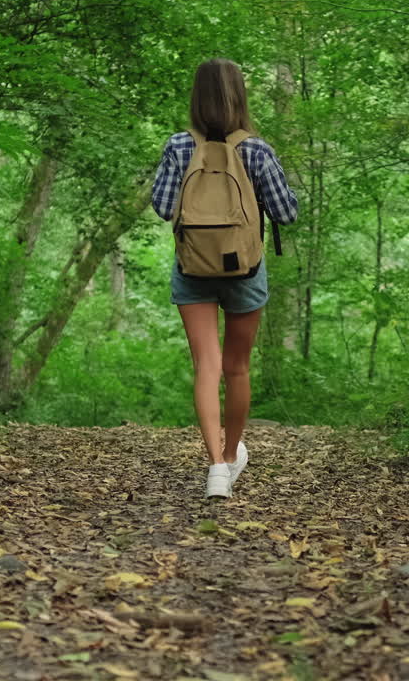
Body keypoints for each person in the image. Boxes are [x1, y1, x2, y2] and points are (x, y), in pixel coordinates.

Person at [150, 58, 299, 498]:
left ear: (196, 97)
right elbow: (286, 213)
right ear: (240, 96)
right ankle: (231, 456)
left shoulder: (179, 146)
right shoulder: (256, 150)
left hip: (192, 267)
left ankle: (214, 465)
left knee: (206, 367)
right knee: (237, 368)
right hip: (244, 270)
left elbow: (162, 208)